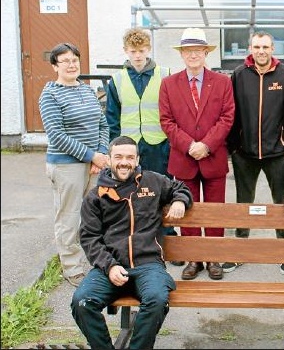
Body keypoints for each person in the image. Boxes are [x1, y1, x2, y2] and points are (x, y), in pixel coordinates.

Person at [71, 135, 193, 350]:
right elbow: (89, 238)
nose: (124, 162)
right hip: (110, 268)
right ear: (109, 159)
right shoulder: (96, 196)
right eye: (118, 157)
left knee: (156, 299)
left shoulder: (153, 181)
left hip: (148, 265)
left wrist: (180, 201)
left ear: (137, 160)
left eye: (129, 157)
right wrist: (109, 266)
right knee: (82, 302)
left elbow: (180, 187)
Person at [224, 31, 284, 275]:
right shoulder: (238, 75)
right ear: (250, 48)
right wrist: (233, 148)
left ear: (272, 49)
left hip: (277, 154)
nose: (261, 51)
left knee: (282, 205)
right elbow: (230, 112)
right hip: (244, 153)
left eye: (265, 46)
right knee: (243, 204)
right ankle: (239, 252)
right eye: (257, 46)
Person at [159, 28, 235, 281]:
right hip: (184, 159)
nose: (193, 55)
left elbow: (227, 118)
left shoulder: (223, 82)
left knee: (214, 211)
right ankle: (194, 259)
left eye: (197, 50)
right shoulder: (169, 84)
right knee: (186, 211)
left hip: (213, 158)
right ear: (182, 54)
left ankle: (213, 258)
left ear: (205, 53)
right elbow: (167, 121)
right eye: (188, 51)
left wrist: (207, 145)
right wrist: (190, 145)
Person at [104, 27, 181, 264]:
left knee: (162, 192)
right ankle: (135, 243)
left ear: (149, 49)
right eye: (133, 51)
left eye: (142, 50)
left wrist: (171, 141)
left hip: (158, 144)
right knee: (130, 194)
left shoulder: (165, 74)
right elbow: (111, 117)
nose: (137, 55)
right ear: (125, 51)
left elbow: (174, 111)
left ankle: (167, 239)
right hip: (128, 149)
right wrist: (114, 149)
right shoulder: (116, 80)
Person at [39, 42, 109, 288]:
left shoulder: (88, 91)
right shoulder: (50, 94)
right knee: (68, 217)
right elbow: (56, 135)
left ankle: (92, 260)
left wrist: (100, 154)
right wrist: (92, 155)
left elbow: (103, 125)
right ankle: (72, 268)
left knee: (91, 217)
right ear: (55, 66)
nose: (71, 64)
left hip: (94, 164)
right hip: (66, 166)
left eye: (75, 60)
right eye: (65, 61)